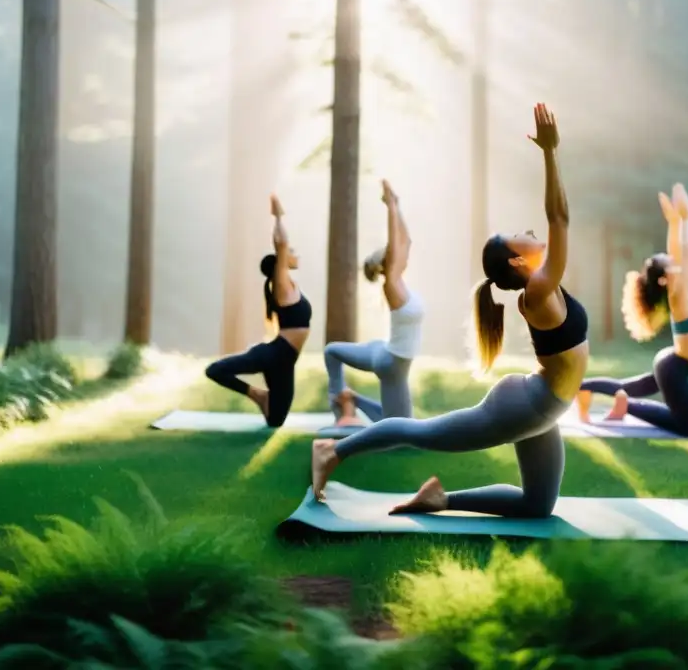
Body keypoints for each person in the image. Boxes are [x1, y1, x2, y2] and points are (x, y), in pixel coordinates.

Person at [310, 103, 588, 517]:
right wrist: (550, 152)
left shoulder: (544, 285)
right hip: (527, 406)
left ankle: (440, 499)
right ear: (516, 262)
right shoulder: (537, 291)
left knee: (537, 505)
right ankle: (333, 451)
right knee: (421, 432)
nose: (529, 232)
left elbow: (557, 221)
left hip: (544, 408)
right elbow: (559, 217)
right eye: (518, 236)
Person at [576, 183, 688, 437]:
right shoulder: (679, 294)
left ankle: (583, 386)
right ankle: (628, 405)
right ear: (663, 279)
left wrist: (673, 222)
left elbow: (678, 252)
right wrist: (687, 218)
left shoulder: (678, 290)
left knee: (628, 385)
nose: (677, 263)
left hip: (672, 362)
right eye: (671, 265)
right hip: (675, 369)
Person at [204, 194, 311, 427]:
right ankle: (258, 395)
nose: (295, 253)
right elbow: (281, 243)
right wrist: (279, 216)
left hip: (285, 360)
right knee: (215, 370)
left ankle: (265, 398)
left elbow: (283, 249)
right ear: (280, 264)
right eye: (291, 251)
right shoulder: (281, 285)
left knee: (276, 420)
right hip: (274, 355)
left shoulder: (290, 285)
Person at [323, 180, 423, 427]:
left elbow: (406, 241)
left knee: (332, 350)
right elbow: (397, 243)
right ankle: (341, 410)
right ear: (389, 263)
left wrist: (396, 206)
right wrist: (389, 207)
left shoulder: (399, 284)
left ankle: (351, 398)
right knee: (401, 430)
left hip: (385, 351)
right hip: (392, 365)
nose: (403, 255)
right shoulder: (391, 285)